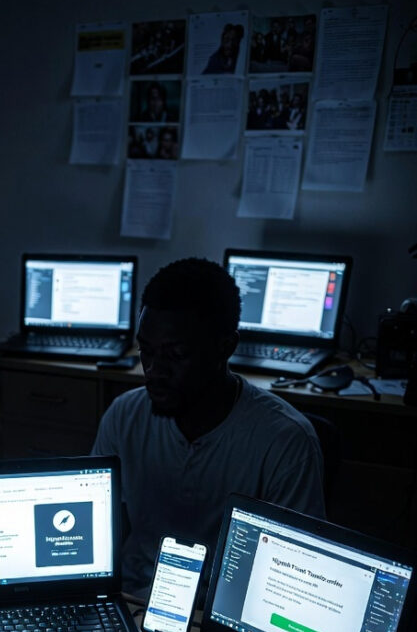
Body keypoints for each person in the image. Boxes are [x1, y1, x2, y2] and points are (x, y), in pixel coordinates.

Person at [91, 257, 326, 603]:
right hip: (130, 603)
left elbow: (291, 579)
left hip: (220, 621)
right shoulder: (124, 416)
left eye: (175, 355)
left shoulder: (285, 441)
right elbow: (101, 537)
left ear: (225, 348)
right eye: (147, 350)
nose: (154, 370)